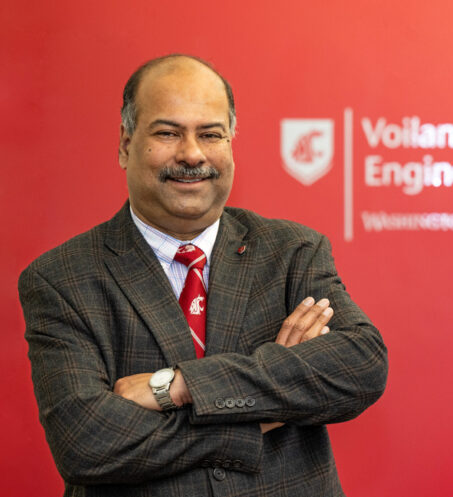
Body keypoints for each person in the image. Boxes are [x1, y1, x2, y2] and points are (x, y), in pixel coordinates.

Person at [18, 54, 388, 497]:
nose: (192, 154)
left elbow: (360, 365)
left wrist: (177, 386)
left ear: (230, 143)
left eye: (210, 134)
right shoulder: (61, 278)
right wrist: (268, 413)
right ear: (125, 144)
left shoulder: (293, 252)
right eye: (168, 133)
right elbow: (86, 443)